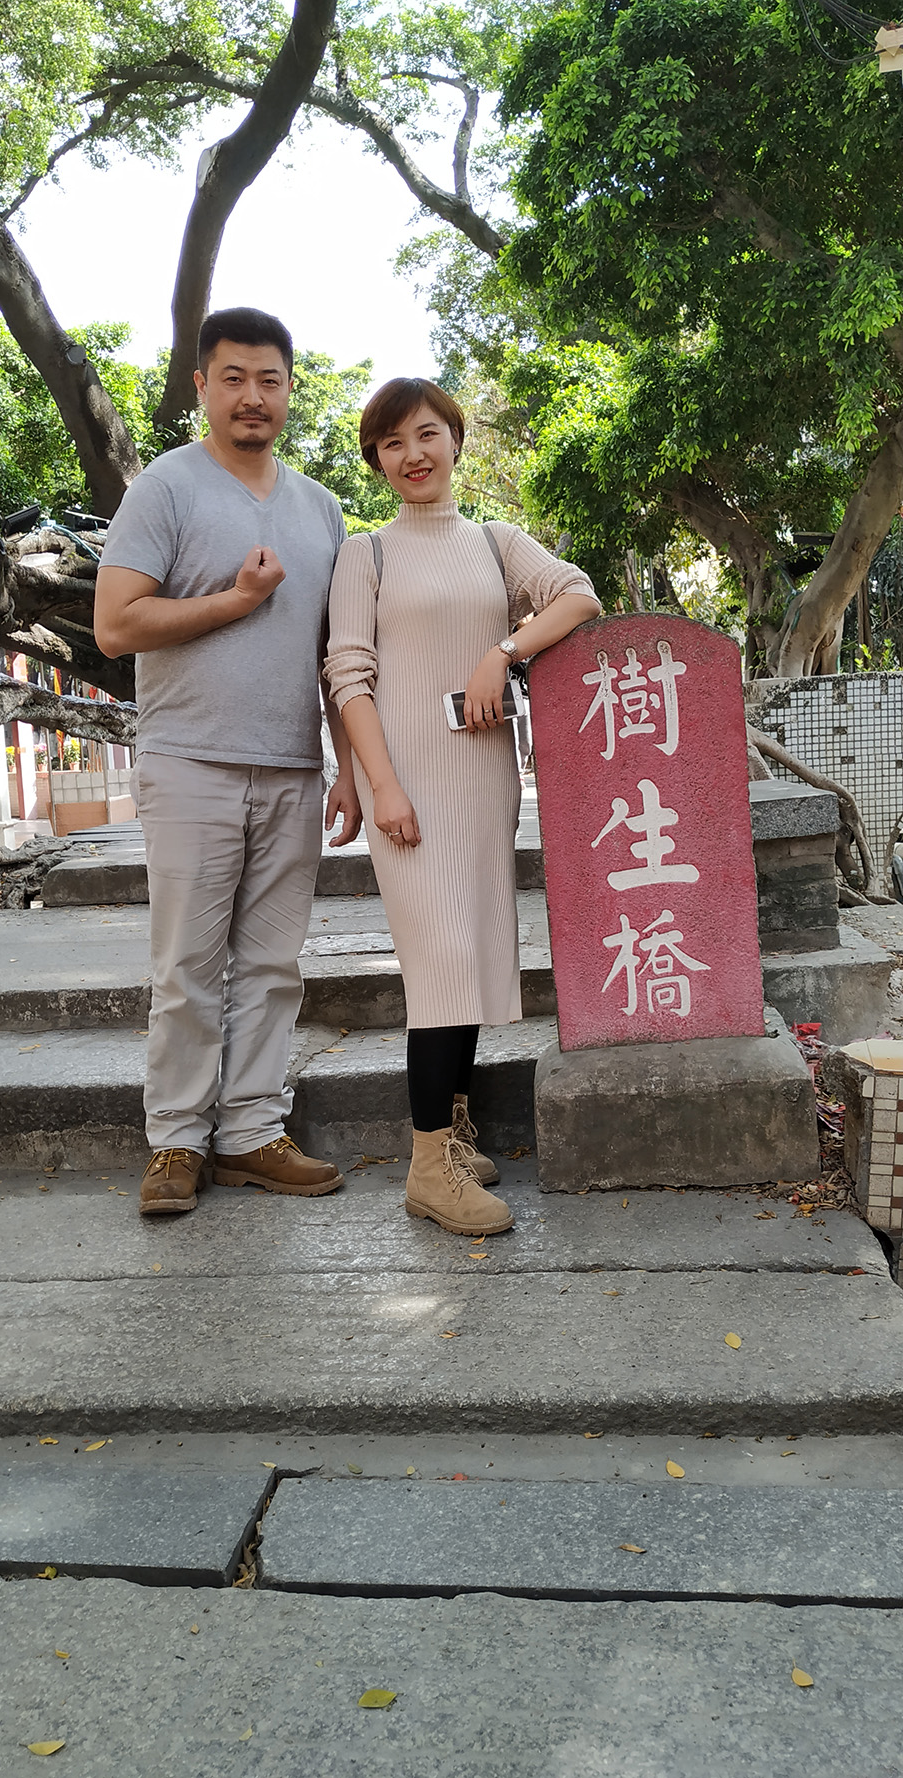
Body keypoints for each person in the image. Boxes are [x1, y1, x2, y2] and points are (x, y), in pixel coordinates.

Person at [94, 306, 361, 1216]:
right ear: (202, 386)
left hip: (292, 767)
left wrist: (348, 765)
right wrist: (235, 601)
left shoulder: (320, 507)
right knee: (187, 966)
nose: (253, 396)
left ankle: (251, 1131)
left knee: (273, 966)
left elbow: (334, 652)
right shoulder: (164, 489)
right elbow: (115, 624)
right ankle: (176, 1140)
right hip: (190, 762)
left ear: (289, 390)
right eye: (234, 378)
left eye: (270, 380)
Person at [324, 378, 601, 1237]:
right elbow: (348, 675)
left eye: (427, 434)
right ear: (376, 460)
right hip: (406, 781)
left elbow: (579, 594)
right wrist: (381, 785)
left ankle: (453, 1132)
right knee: (441, 962)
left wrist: (502, 651)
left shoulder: (494, 541)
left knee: (471, 958)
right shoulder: (365, 554)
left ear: (455, 438)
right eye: (392, 442)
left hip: (483, 780)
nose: (413, 454)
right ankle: (427, 1168)